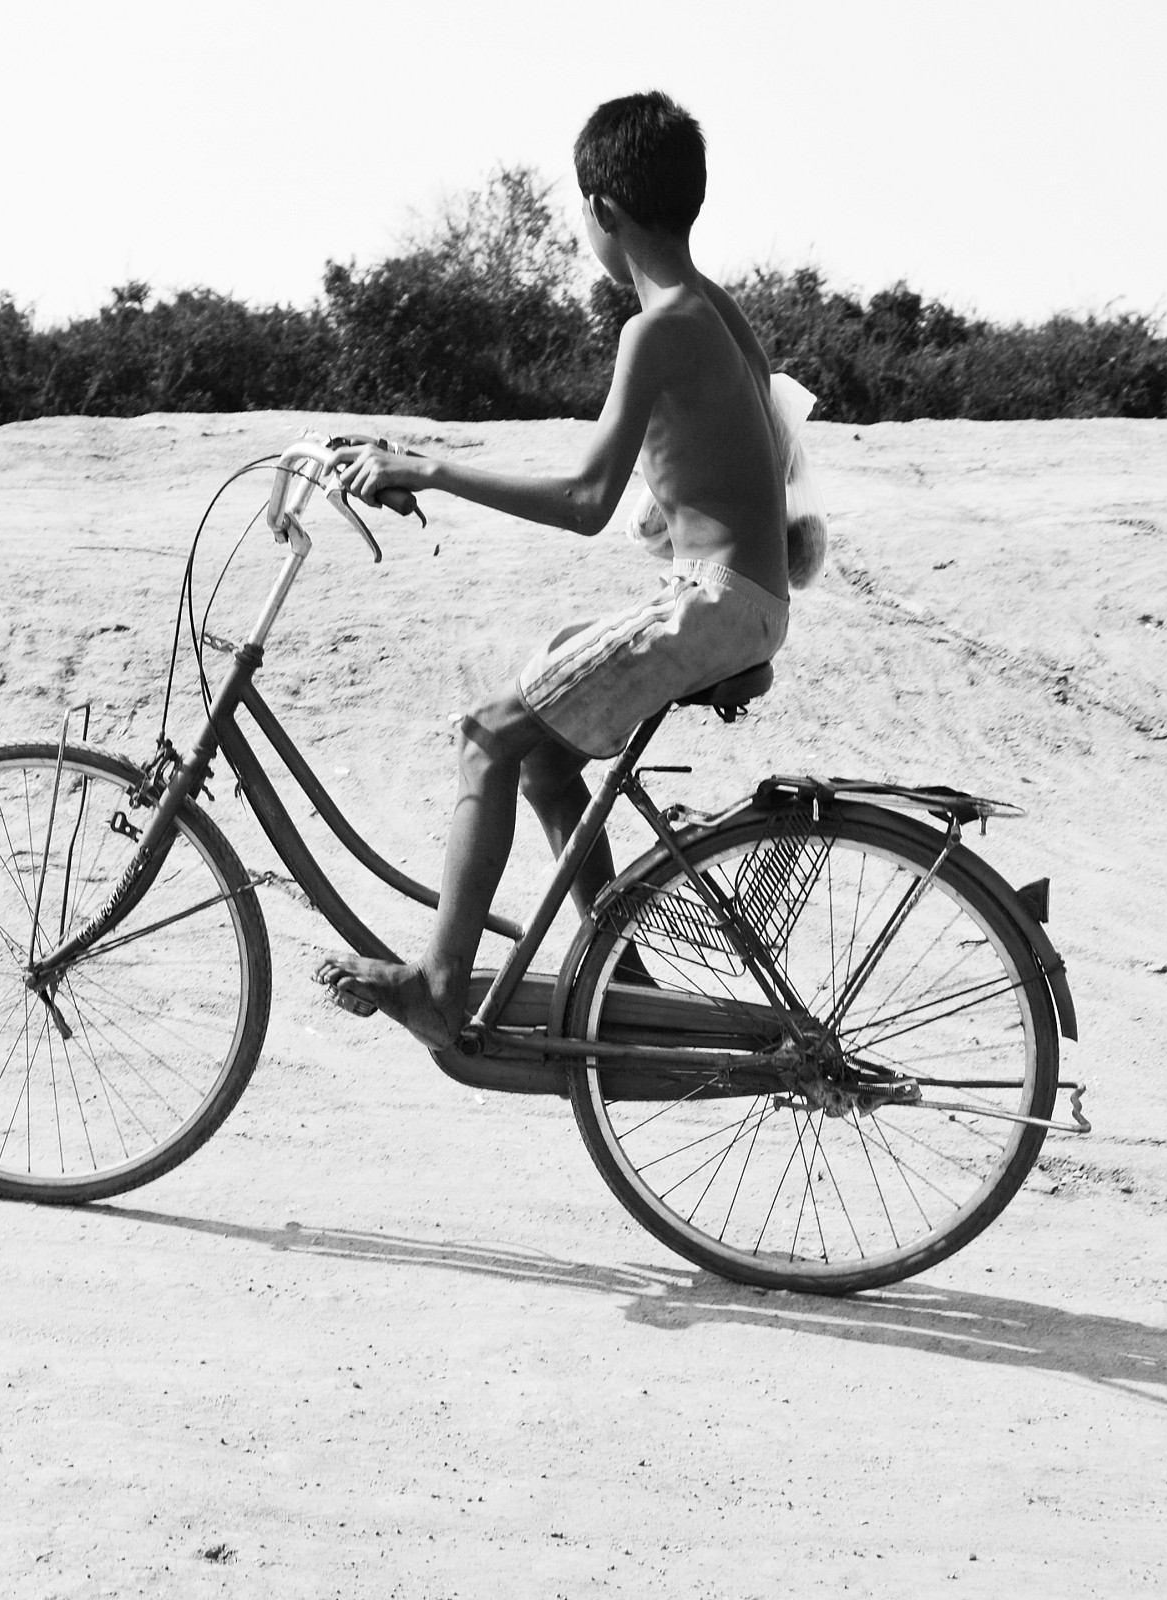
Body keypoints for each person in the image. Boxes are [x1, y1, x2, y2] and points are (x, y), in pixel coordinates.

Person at [315, 88, 792, 1050]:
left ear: (602, 213)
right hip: (736, 599)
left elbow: (584, 503)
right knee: (542, 761)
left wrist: (431, 469)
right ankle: (631, 979)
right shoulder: (719, 314)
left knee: (486, 734)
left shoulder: (654, 329)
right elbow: (765, 447)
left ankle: (438, 984)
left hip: (714, 602)